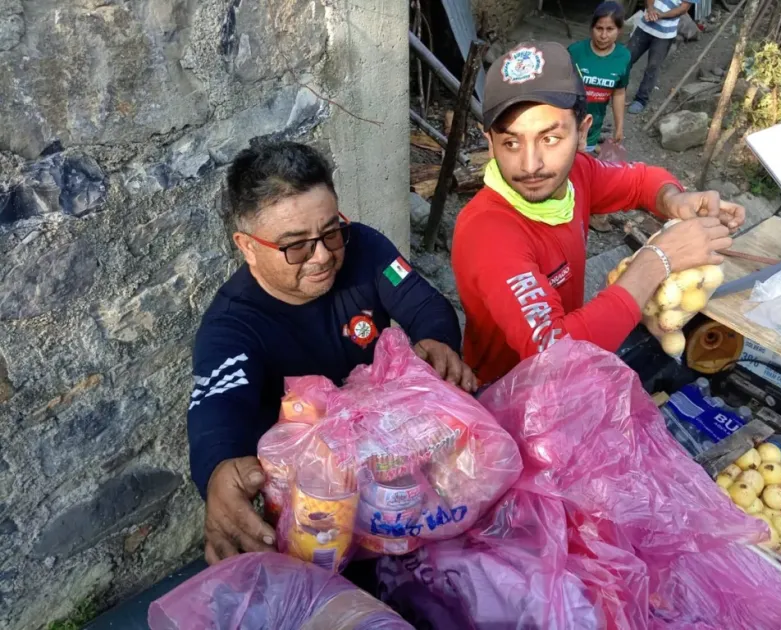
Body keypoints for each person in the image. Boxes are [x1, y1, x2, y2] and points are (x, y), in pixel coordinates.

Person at [188, 141, 476, 567]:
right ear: (247, 246)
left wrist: (437, 342)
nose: (323, 256)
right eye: (296, 246)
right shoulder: (231, 326)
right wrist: (218, 471)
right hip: (315, 518)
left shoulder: (364, 249)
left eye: (330, 231)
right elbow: (217, 409)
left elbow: (425, 305)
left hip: (394, 476)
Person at [451, 42, 745, 386]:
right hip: (510, 392)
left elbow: (640, 181)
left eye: (550, 138)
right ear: (490, 144)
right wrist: (657, 260)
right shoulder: (487, 232)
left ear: (583, 131)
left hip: (572, 365)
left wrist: (674, 199)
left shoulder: (578, 174)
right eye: (511, 143)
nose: (530, 165)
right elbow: (555, 353)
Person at [567, 2, 631, 153]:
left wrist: (619, 127)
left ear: (619, 30)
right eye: (599, 28)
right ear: (591, 28)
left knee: (582, 166)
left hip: (592, 127)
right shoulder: (575, 52)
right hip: (567, 122)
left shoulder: (623, 57)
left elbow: (619, 92)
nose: (603, 36)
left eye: (610, 29)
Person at [627, 0, 695, 113]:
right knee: (626, 59)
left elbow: (683, 8)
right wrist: (651, 8)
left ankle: (641, 99)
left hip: (665, 34)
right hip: (644, 26)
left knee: (652, 67)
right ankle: (616, 90)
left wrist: (661, 15)